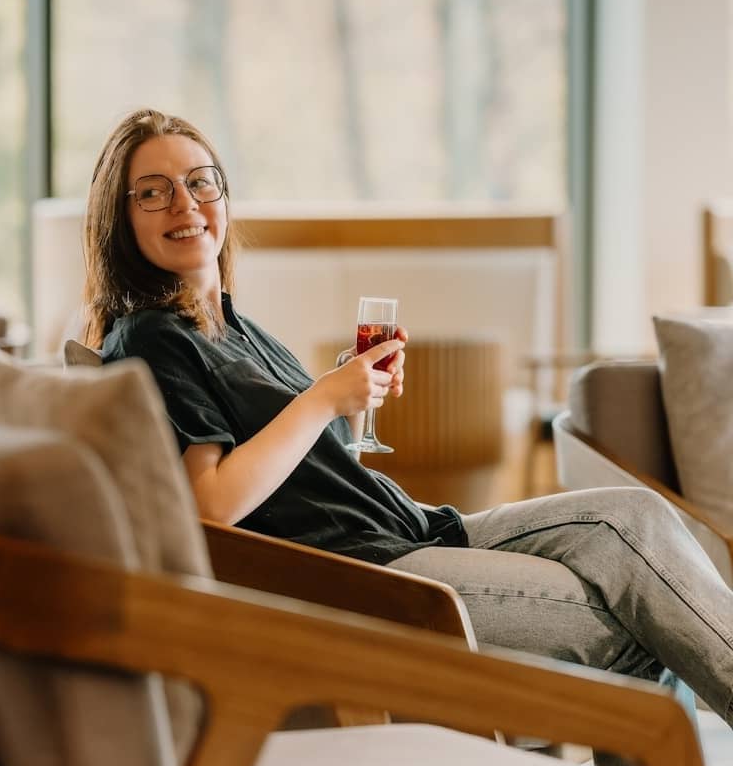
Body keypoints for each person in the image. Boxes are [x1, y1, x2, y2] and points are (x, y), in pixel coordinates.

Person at [85, 107, 733, 727]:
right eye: (153, 192)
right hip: (367, 578)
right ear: (121, 218)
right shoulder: (153, 338)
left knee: (634, 516)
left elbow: (302, 474)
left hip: (413, 531)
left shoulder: (232, 324)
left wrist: (346, 400)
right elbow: (210, 509)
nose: (185, 204)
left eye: (201, 182)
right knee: (641, 614)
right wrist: (320, 400)